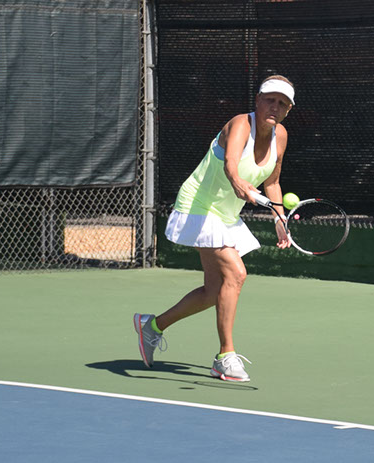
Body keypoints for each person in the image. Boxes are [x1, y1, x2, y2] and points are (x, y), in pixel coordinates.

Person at [133, 75, 295, 382]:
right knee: (236, 274)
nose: (275, 107)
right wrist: (239, 184)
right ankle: (225, 357)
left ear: (288, 110)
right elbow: (230, 164)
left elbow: (272, 182)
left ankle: (151, 327)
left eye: (282, 103)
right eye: (270, 100)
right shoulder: (240, 125)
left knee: (214, 292)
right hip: (199, 206)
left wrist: (279, 218)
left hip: (225, 214)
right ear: (257, 101)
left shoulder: (281, 136)